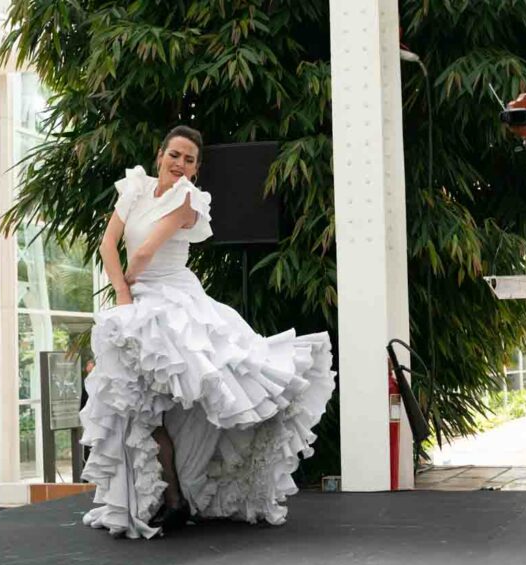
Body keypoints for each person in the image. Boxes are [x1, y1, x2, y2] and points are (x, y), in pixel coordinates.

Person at [79, 125, 335, 539]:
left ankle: (185, 495)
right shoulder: (135, 189)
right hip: (136, 297)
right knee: (137, 404)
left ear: (197, 169)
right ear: (160, 153)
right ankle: (166, 497)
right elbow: (108, 244)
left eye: (190, 160)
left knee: (202, 386)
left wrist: (126, 297)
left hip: (171, 298)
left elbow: (145, 252)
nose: (180, 164)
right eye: (175, 155)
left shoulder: (188, 200)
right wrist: (123, 296)